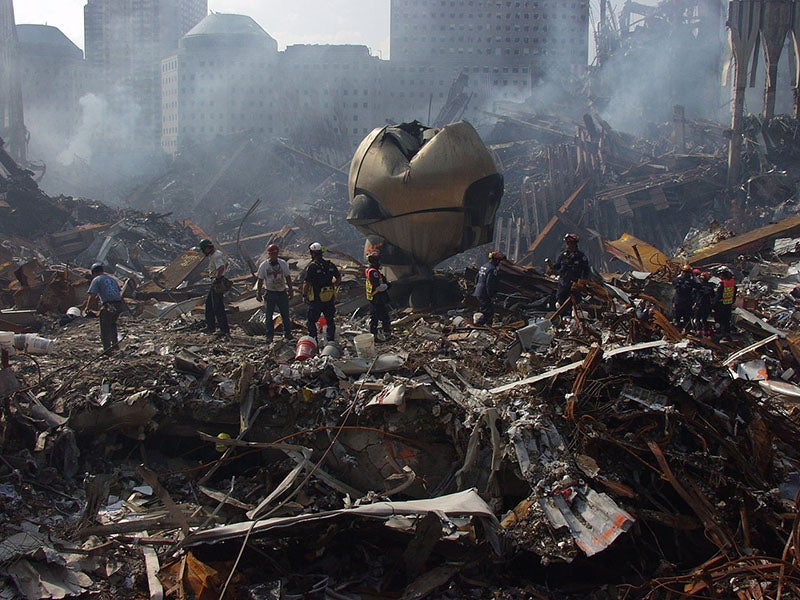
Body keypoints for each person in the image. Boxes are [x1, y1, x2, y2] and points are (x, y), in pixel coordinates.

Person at [301, 242, 341, 344]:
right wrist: (333, 286)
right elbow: (338, 278)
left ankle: (314, 340)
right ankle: (331, 341)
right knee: (330, 320)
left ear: (312, 253)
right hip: (329, 298)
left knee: (311, 321)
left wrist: (304, 295)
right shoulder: (330, 265)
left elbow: (307, 283)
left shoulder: (312, 267)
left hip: (316, 299)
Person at [256, 243, 294, 343]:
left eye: (275, 253)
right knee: (269, 316)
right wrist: (258, 292)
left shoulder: (283, 264)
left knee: (285, 314)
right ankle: (269, 336)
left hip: (282, 293)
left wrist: (290, 289)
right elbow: (260, 280)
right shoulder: (264, 265)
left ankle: (287, 334)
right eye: (271, 254)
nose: (273, 255)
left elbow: (288, 277)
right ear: (268, 254)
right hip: (270, 293)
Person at [83, 262, 124, 353]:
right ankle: (115, 345)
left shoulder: (97, 279)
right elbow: (118, 292)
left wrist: (87, 308)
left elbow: (92, 295)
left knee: (104, 328)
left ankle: (107, 350)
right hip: (118, 305)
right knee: (112, 324)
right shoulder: (112, 279)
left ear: (93, 273)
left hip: (109, 306)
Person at [198, 238, 231, 339]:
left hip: (217, 282)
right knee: (209, 305)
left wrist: (217, 278)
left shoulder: (216, 256)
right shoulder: (217, 254)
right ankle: (210, 326)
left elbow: (221, 267)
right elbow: (226, 264)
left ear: (207, 248)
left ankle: (224, 330)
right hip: (216, 282)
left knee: (218, 306)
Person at [552, 233, 590, 306]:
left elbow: (586, 270)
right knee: (559, 302)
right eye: (567, 243)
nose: (568, 245)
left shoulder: (580, 256)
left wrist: (584, 280)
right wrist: (551, 267)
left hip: (575, 284)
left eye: (570, 243)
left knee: (576, 303)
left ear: (575, 243)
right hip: (563, 283)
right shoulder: (562, 255)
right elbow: (557, 266)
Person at [365, 251, 392, 340]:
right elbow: (378, 287)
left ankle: (376, 336)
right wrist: (387, 285)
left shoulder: (370, 271)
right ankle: (385, 335)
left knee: (375, 318)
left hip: (374, 298)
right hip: (377, 298)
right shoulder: (373, 272)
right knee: (383, 318)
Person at [473, 250, 505, 326]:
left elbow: (476, 278)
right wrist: (491, 296)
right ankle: (482, 327)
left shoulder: (484, 266)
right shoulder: (492, 269)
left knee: (482, 309)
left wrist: (477, 287)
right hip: (484, 293)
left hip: (478, 291)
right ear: (496, 260)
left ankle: (480, 325)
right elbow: (489, 284)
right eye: (499, 261)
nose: (499, 263)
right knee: (488, 312)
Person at [714, 267, 737, 340]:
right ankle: (727, 334)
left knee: (719, 320)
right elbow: (734, 296)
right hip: (728, 305)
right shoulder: (732, 284)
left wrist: (713, 305)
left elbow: (718, 296)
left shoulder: (722, 284)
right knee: (727, 320)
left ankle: (719, 333)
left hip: (721, 306)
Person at [672, 264, 695, 332]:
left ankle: (684, 331)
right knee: (678, 318)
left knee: (685, 319)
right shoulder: (679, 280)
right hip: (681, 302)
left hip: (685, 302)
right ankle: (677, 331)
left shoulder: (689, 281)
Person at [692, 271, 715, 337]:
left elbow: (694, 295)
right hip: (707, 305)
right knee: (705, 319)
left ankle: (698, 331)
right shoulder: (710, 287)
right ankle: (706, 331)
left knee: (697, 318)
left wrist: (694, 304)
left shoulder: (697, 286)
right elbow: (713, 296)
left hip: (698, 305)